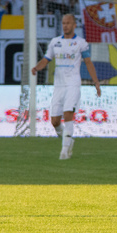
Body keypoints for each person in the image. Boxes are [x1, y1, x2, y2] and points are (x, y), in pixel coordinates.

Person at [31, 14, 102, 160]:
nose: (65, 26)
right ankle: (69, 140)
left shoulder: (80, 43)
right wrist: (37, 68)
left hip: (73, 83)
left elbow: (88, 62)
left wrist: (96, 82)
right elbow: (46, 59)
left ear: (74, 25)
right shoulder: (55, 42)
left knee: (68, 112)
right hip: (59, 85)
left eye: (68, 23)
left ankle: (64, 151)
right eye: (63, 23)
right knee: (55, 121)